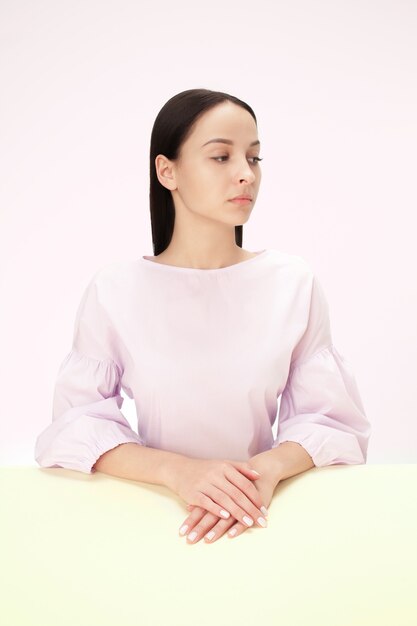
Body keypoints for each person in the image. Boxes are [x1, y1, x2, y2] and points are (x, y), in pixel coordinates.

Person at [34, 88, 371, 546]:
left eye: (254, 158)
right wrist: (179, 472)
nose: (245, 175)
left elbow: (330, 421)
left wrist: (264, 471)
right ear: (166, 170)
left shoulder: (292, 282)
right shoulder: (115, 288)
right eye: (221, 157)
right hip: (149, 522)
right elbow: (75, 425)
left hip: (263, 521)